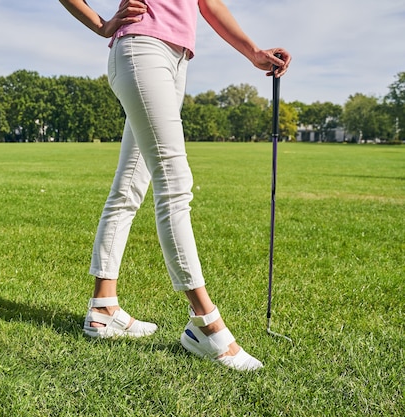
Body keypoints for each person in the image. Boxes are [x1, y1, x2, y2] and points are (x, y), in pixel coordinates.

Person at [59, 0, 291, 371]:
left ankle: (103, 309)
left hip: (176, 59)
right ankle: (206, 324)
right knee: (175, 182)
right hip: (142, 49)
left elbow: (208, 3)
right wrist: (100, 24)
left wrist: (253, 53)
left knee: (129, 187)